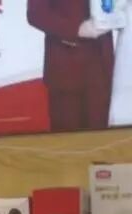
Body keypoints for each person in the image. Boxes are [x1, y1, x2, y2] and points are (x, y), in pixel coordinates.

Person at [27, 0, 115, 130]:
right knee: (67, 137)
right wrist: (77, 29)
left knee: (101, 136)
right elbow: (36, 14)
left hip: (101, 68)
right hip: (67, 69)